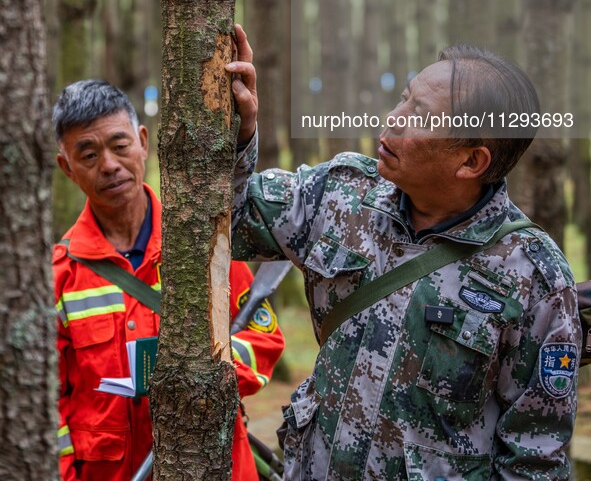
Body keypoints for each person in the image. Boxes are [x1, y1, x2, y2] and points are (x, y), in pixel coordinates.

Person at [227, 26, 581, 480]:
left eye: (421, 114)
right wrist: (242, 132)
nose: (393, 118)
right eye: (404, 98)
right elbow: (227, 222)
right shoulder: (339, 195)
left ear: (471, 162)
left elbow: (534, 461)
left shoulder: (535, 276)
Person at [53, 79, 284, 481]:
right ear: (67, 167)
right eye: (88, 154)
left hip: (218, 466)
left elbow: (264, 342)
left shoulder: (203, 240)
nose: (108, 165)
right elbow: (46, 404)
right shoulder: (59, 275)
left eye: (119, 145)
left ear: (143, 141)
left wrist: (206, 373)